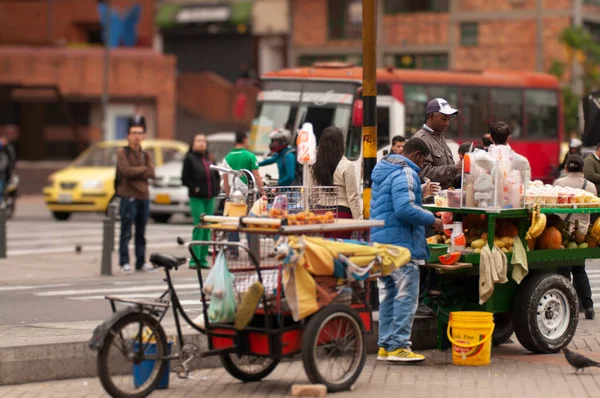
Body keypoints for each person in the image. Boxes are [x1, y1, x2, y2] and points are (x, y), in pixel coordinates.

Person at [370, 137, 443, 363]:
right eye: (423, 162)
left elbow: (393, 201)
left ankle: (385, 345)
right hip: (401, 245)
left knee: (389, 295)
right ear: (416, 155)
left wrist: (419, 191)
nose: (422, 167)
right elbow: (404, 209)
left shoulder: (385, 169)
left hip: (382, 242)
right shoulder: (406, 172)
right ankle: (400, 346)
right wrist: (433, 220)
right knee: (405, 296)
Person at [554, 155, 595, 320]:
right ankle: (588, 305)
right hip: (581, 235)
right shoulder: (590, 186)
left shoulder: (558, 184)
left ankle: (569, 305)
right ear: (582, 169)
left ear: (566, 168)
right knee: (579, 269)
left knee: (563, 270)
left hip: (562, 235)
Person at [116, 116, 155, 274]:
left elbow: (152, 172)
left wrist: (139, 171)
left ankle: (141, 262)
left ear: (144, 135)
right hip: (128, 196)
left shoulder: (147, 155)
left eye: (140, 133)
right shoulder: (122, 152)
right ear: (128, 135)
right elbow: (126, 172)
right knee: (126, 231)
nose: (137, 136)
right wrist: (143, 170)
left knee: (141, 231)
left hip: (143, 197)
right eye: (134, 133)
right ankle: (124, 261)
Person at [309, 127, 361, 238]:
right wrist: (359, 221)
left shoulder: (315, 166)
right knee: (340, 248)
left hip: (321, 212)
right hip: (342, 213)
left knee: (323, 250)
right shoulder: (347, 165)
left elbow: (312, 193)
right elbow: (352, 197)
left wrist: (318, 208)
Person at [181, 133, 221, 269]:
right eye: (198, 141)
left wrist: (217, 188)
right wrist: (195, 188)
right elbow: (185, 179)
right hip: (197, 198)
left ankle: (203, 258)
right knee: (199, 225)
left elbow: (216, 174)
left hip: (210, 197)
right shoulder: (189, 159)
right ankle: (194, 259)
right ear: (193, 143)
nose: (201, 143)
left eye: (204, 141)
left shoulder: (209, 158)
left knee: (207, 227)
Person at [222, 131, 264, 258]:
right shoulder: (250, 156)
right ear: (245, 140)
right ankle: (253, 252)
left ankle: (233, 252)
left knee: (233, 222)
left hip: (234, 196)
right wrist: (263, 192)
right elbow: (256, 176)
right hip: (249, 194)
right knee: (250, 221)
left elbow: (225, 181)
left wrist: (228, 197)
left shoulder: (227, 157)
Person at [412, 98, 461, 190]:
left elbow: (446, 175)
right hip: (430, 201)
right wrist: (454, 169)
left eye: (448, 119)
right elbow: (423, 174)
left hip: (443, 199)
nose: (447, 123)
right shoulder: (420, 139)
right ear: (431, 116)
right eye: (443, 119)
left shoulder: (439, 136)